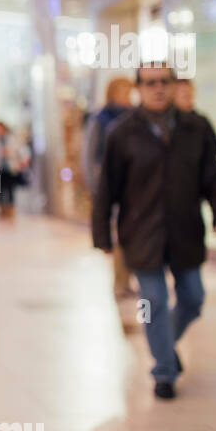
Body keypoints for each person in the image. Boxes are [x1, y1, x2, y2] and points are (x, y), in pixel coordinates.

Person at [92, 61, 216, 399]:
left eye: (163, 82)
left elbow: (214, 176)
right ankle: (164, 372)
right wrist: (101, 235)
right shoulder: (123, 132)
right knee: (153, 300)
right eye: (150, 82)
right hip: (142, 234)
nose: (158, 88)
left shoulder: (195, 127)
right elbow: (106, 189)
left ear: (172, 85)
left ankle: (165, 347)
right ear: (138, 89)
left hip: (185, 231)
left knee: (194, 298)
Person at [83, 76, 134, 297]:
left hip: (134, 185)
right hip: (111, 185)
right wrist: (95, 186)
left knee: (133, 234)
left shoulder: (136, 116)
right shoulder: (100, 119)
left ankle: (128, 279)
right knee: (120, 235)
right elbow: (89, 154)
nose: (126, 95)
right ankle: (120, 282)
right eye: (122, 91)